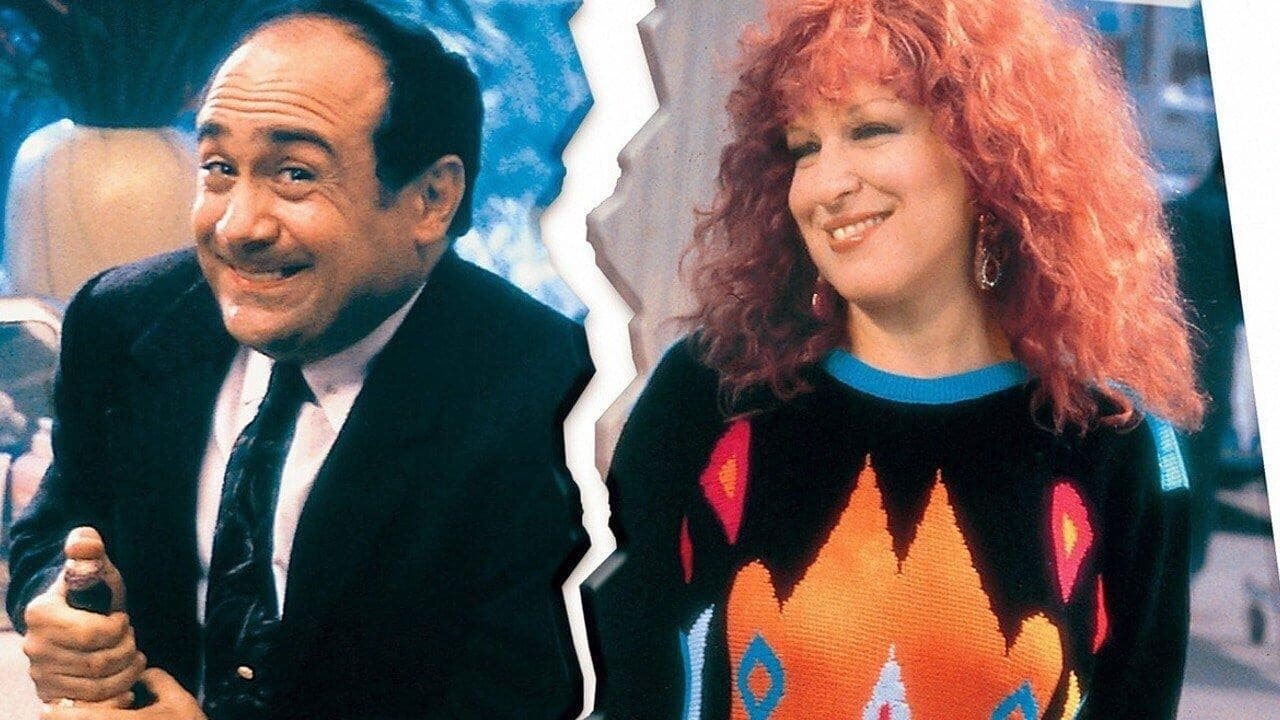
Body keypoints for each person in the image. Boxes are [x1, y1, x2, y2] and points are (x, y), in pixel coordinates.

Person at [585, 0, 1203, 718]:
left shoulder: (1117, 445)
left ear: (990, 155)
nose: (826, 185)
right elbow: (615, 675)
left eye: (870, 130)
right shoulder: (716, 393)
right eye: (804, 147)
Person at [6, 2, 590, 718]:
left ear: (431, 199)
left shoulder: (551, 396)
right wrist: (57, 606)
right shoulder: (120, 320)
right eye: (219, 168)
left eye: (294, 174)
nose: (237, 227)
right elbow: (59, 522)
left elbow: (525, 699)